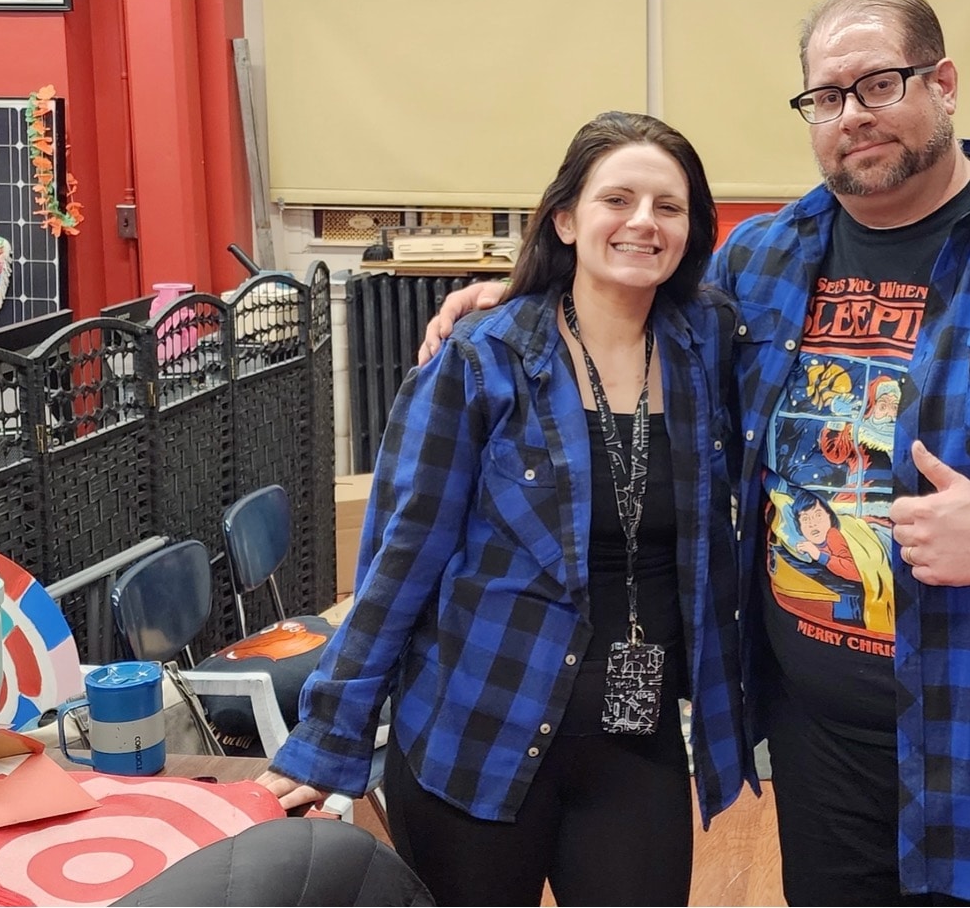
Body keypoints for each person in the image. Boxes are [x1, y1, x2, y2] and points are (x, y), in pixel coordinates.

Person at [421, 0, 970, 906]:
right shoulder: (763, 258)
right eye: (826, 97)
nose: (854, 116)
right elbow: (632, 311)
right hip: (822, 756)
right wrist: (528, 296)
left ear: (945, 84)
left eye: (880, 84)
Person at [258, 111, 754, 907]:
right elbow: (401, 556)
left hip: (637, 741)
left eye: (668, 206)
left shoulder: (710, 346)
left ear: (692, 230)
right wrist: (328, 735)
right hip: (476, 731)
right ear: (565, 218)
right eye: (616, 199)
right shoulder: (484, 358)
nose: (641, 222)